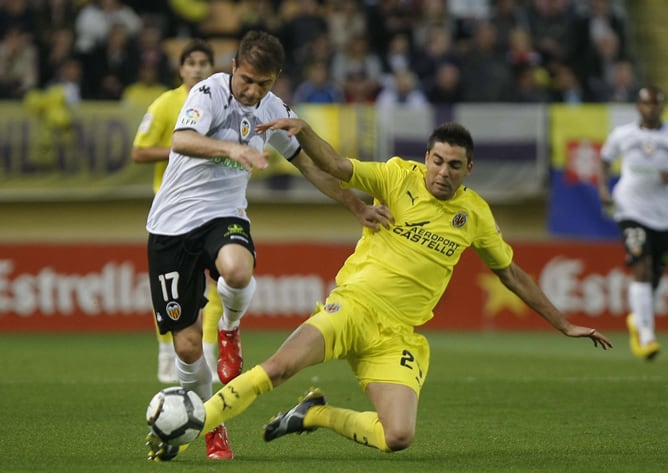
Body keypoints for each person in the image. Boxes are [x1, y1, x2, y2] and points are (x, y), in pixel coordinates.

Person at [146, 118, 613, 460]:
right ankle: (195, 422)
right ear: (426, 157)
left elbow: (511, 274)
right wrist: (303, 129)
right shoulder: (396, 176)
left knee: (398, 438)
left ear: (468, 168)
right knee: (281, 365)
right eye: (436, 160)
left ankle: (313, 415)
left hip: (397, 335)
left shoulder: (475, 216)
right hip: (351, 306)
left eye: (454, 165)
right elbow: (334, 164)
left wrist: (565, 323)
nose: (442, 172)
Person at [143, 30, 392, 460]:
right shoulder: (208, 91)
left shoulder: (272, 109)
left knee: (238, 270)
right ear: (234, 67)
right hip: (172, 226)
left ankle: (229, 332)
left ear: (275, 80)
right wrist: (233, 151)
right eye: (247, 80)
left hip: (224, 216)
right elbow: (181, 141)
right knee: (185, 346)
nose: (253, 91)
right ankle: (204, 430)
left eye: (264, 83)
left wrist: (355, 206)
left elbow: (310, 166)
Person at [132, 38, 237, 460]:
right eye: (190, 63)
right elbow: (139, 151)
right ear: (180, 70)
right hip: (172, 215)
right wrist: (183, 145)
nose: (197, 69)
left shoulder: (220, 100)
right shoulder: (164, 105)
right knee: (181, 306)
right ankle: (175, 352)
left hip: (213, 213)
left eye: (203, 63)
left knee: (224, 278)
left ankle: (218, 340)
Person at [598, 86, 668, 361]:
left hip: (663, 215)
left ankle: (638, 318)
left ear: (661, 107)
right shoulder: (623, 134)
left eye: (656, 104)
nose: (650, 108)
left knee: (655, 274)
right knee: (641, 264)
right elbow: (605, 160)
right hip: (631, 209)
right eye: (646, 103)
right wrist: (603, 189)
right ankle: (648, 335)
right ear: (638, 106)